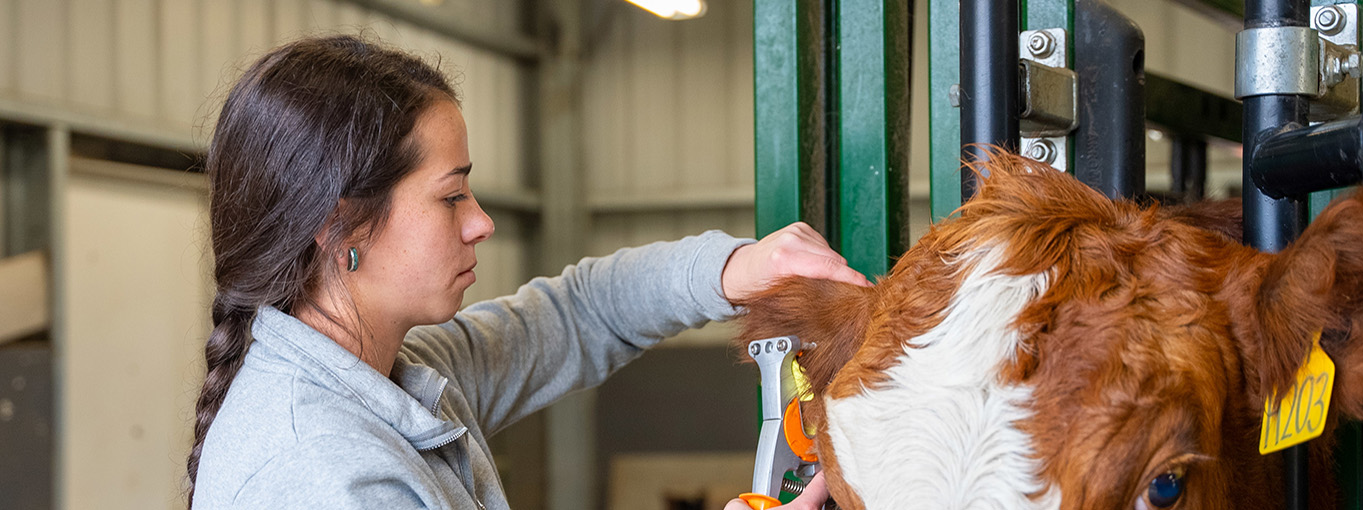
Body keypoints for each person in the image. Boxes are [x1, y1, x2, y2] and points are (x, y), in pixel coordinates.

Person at [186, 35, 864, 510]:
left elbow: (580, 314)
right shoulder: (322, 475)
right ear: (338, 228)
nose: (481, 221)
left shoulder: (395, 375)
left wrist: (731, 268)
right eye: (452, 196)